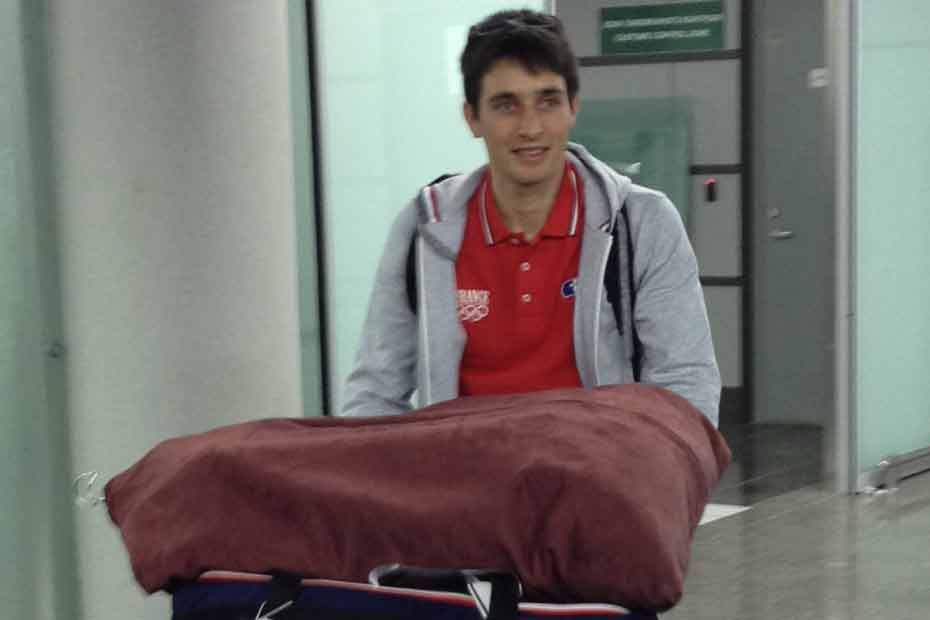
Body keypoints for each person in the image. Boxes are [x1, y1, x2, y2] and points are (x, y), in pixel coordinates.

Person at [341, 9, 720, 425]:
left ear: (573, 107)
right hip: (464, 463)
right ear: (472, 118)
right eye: (506, 105)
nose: (531, 127)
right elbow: (375, 392)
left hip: (599, 462)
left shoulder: (642, 223)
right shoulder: (423, 229)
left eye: (548, 102)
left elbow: (685, 384)